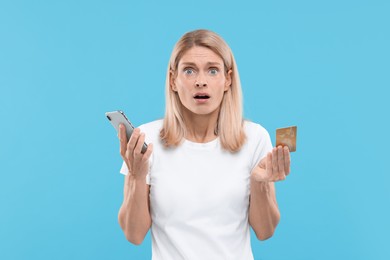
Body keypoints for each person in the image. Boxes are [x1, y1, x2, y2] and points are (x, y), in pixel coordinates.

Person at [117, 29, 291, 260]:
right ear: (173, 80)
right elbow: (134, 234)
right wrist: (136, 175)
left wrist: (258, 183)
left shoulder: (255, 137)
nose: (201, 81)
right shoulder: (146, 139)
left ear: (228, 79)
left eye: (212, 70)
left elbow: (265, 231)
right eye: (189, 71)